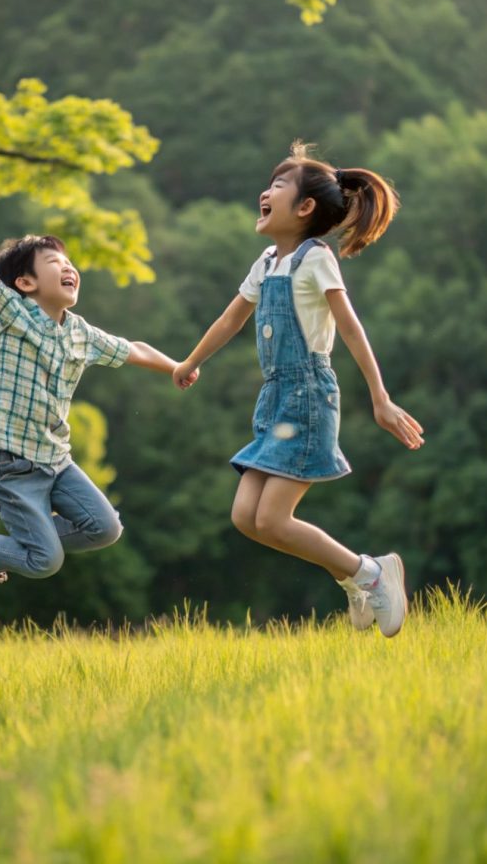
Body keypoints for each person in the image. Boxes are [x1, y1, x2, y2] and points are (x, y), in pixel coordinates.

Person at [0, 150, 197, 627]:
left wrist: (176, 365)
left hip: (56, 461)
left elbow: (134, 347)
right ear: (25, 282)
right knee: (44, 560)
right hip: (10, 461)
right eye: (56, 261)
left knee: (105, 528)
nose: (70, 267)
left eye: (71, 261)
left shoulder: (80, 332)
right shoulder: (11, 313)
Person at [173, 143, 424, 636]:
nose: (266, 193)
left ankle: (369, 573)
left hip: (308, 398)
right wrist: (192, 360)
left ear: (305, 207)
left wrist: (380, 397)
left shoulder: (316, 259)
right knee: (248, 518)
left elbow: (350, 327)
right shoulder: (266, 262)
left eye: (279, 186)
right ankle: (355, 576)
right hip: (274, 400)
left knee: (273, 517)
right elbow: (231, 318)